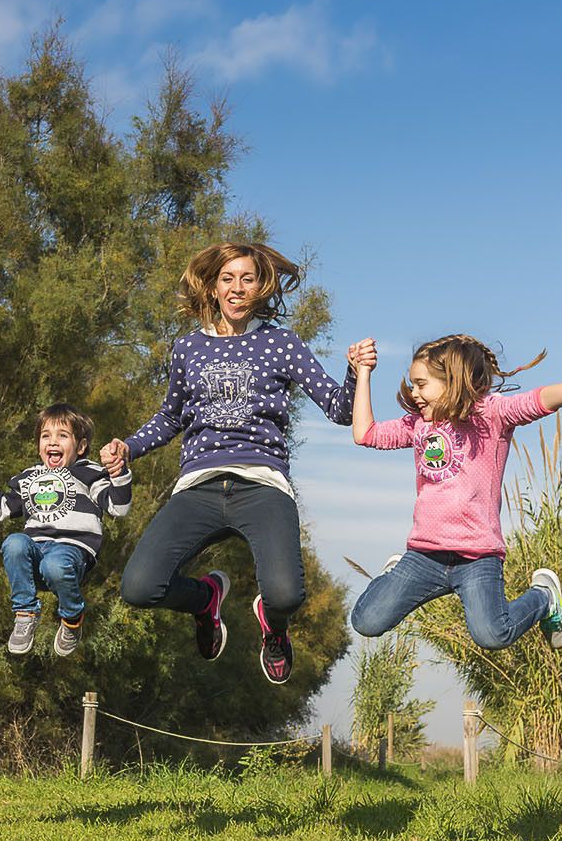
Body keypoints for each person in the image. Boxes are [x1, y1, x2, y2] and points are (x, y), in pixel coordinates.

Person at [99, 242, 369, 685]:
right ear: (212, 287)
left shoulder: (280, 342)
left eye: (247, 279)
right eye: (228, 279)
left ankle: (274, 628)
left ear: (261, 286)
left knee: (285, 594)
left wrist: (356, 372)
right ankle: (206, 600)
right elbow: (171, 416)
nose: (237, 288)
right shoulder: (188, 348)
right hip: (199, 487)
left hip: (261, 484)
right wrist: (128, 447)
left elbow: (339, 409)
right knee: (139, 588)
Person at [347, 333, 562, 650]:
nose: (414, 394)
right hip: (424, 556)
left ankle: (544, 598)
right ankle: (394, 576)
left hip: (477, 559)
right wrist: (364, 373)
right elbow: (365, 433)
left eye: (422, 384)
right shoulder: (417, 425)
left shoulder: (492, 415)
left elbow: (541, 399)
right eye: (413, 384)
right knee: (366, 622)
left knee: (493, 635)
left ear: (453, 380)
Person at [0, 404, 132, 657]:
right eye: (46, 436)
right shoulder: (29, 477)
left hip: (72, 553)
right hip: (35, 552)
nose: (52, 442)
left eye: (62, 436)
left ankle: (71, 618)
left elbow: (118, 508)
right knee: (14, 543)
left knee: (54, 565)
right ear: (38, 445)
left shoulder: (88, 473)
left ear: (80, 446)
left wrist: (118, 472)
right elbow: (1, 509)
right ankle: (25, 613)